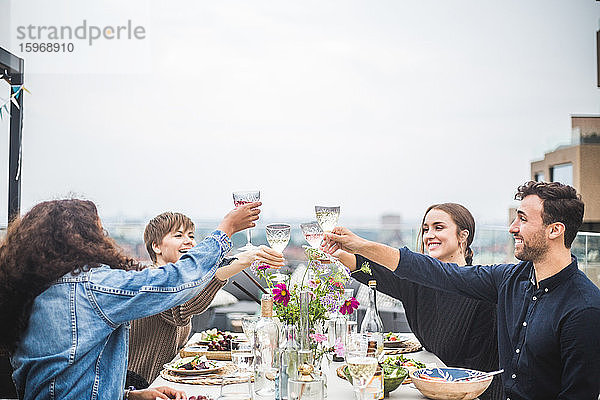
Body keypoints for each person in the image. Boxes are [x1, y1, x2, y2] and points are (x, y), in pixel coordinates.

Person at [323, 181, 600, 400]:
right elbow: (436, 273)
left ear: (555, 230)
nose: (512, 228)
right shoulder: (508, 279)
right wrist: (357, 247)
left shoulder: (584, 308)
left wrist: (359, 245)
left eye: (523, 220)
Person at [0, 198, 284, 399]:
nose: (103, 239)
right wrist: (225, 231)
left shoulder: (36, 291)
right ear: (80, 240)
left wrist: (130, 396)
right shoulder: (88, 286)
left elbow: (67, 379)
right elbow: (174, 284)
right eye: (98, 233)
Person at [333, 203, 502, 400]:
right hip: (430, 388)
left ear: (463, 236)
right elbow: (369, 269)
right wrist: (336, 252)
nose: (429, 235)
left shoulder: (481, 288)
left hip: (472, 393)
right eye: (425, 229)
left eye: (439, 228)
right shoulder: (417, 283)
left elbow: (480, 370)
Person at [128, 212, 281, 382]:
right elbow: (180, 310)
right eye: (179, 235)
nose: (189, 241)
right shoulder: (151, 280)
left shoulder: (181, 282)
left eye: (191, 235)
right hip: (140, 386)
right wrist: (242, 261)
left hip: (170, 381)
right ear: (156, 247)